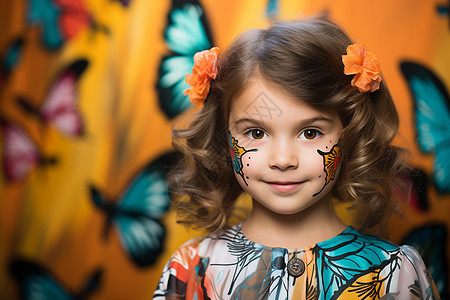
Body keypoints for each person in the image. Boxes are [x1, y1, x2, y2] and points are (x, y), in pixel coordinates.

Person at [153, 18, 440, 299]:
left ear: (352, 135)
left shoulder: (395, 273)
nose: (282, 159)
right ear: (222, 137)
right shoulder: (190, 270)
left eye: (311, 133)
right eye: (256, 132)